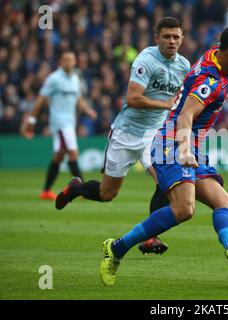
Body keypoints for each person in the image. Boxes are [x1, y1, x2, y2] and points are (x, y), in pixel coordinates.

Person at [98, 25, 228, 286]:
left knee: (226, 203)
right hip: (173, 141)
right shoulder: (210, 82)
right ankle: (117, 248)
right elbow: (186, 115)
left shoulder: (216, 54)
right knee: (184, 209)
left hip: (190, 144)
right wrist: (185, 149)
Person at [55, 17, 190, 255]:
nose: (171, 41)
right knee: (107, 194)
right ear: (156, 37)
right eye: (167, 36)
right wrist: (166, 104)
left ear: (182, 39)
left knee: (164, 181)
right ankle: (76, 189)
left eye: (176, 37)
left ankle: (151, 237)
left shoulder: (183, 66)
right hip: (126, 132)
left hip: (155, 134)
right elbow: (133, 98)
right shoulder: (145, 60)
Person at [21, 51, 97, 200]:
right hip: (60, 123)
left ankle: (46, 191)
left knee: (59, 156)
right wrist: (31, 121)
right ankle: (83, 191)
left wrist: (88, 110)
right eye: (66, 60)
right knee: (73, 153)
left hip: (70, 122)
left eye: (71, 60)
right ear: (61, 62)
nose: (69, 63)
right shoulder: (54, 79)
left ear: (75, 62)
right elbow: (41, 99)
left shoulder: (75, 78)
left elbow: (78, 99)